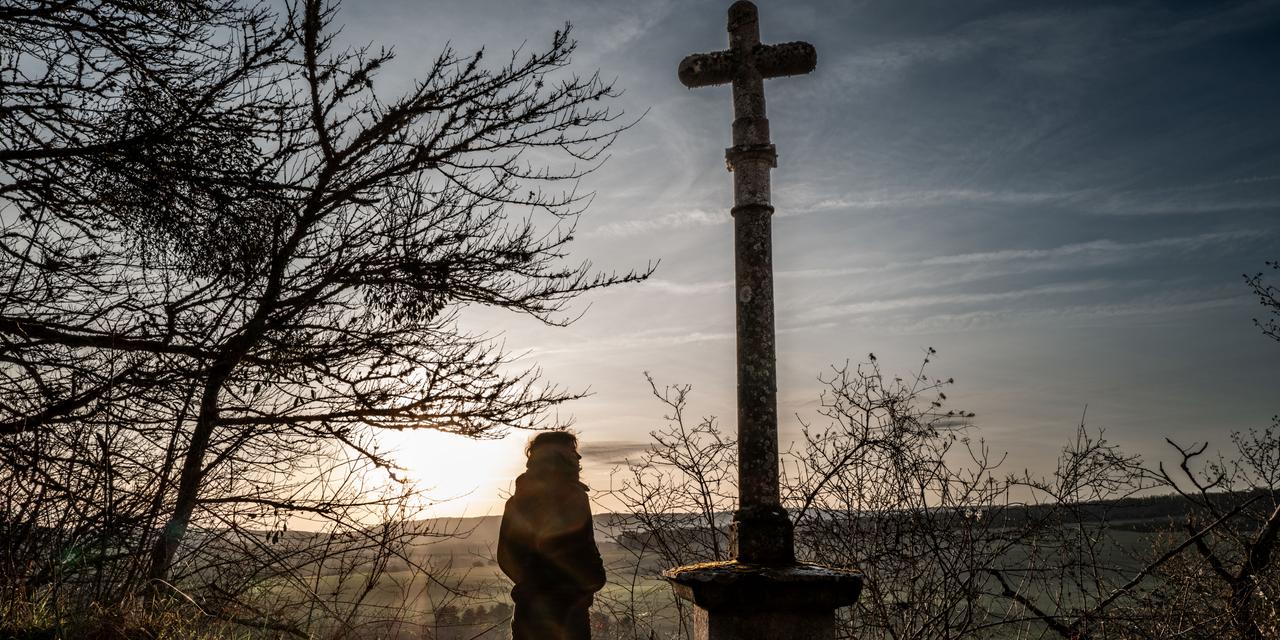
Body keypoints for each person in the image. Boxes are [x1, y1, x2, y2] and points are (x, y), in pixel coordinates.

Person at [498, 431, 606, 640]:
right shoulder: (574, 498)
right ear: (562, 457)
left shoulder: (516, 502)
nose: (578, 458)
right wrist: (593, 581)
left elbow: (506, 557)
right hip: (569, 612)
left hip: (529, 611)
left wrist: (530, 585)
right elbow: (584, 551)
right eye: (572, 451)